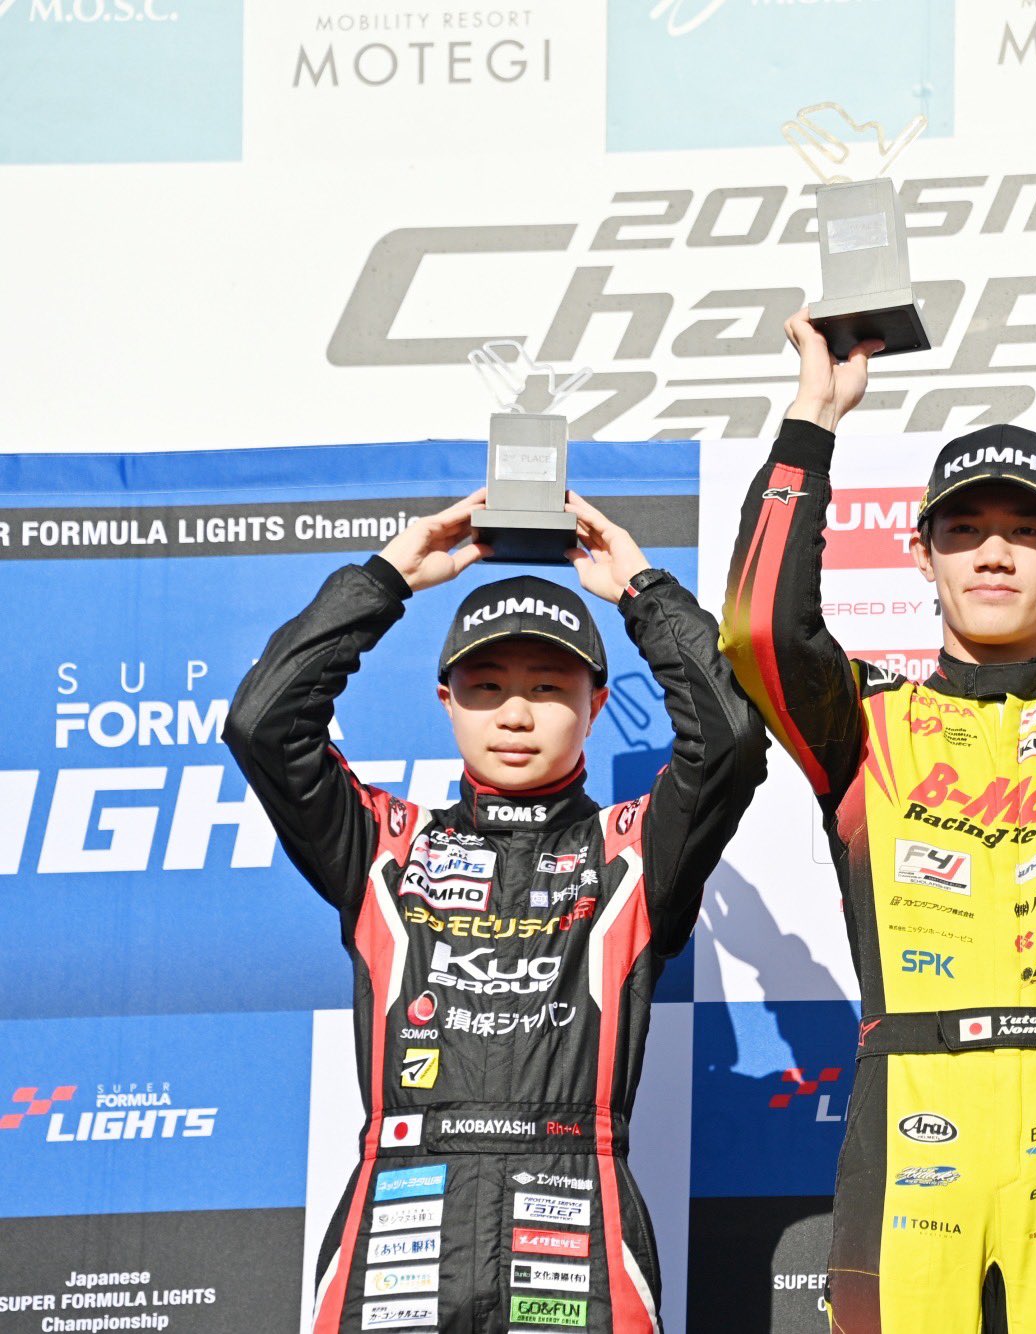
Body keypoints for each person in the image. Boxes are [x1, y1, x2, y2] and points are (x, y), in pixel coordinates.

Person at [720, 217, 1036, 1333]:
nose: (995, 552)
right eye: (964, 529)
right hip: (909, 1123)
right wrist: (813, 420)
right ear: (921, 555)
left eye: (1027, 529)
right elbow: (759, 627)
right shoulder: (866, 726)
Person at [226, 490, 766, 1334]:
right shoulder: (385, 846)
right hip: (396, 1221)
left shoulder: (631, 852)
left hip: (578, 1225)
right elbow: (264, 725)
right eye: (486, 687)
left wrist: (644, 591)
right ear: (446, 702)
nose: (515, 714)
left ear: (595, 703)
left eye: (547, 687)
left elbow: (728, 737)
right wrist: (386, 579)